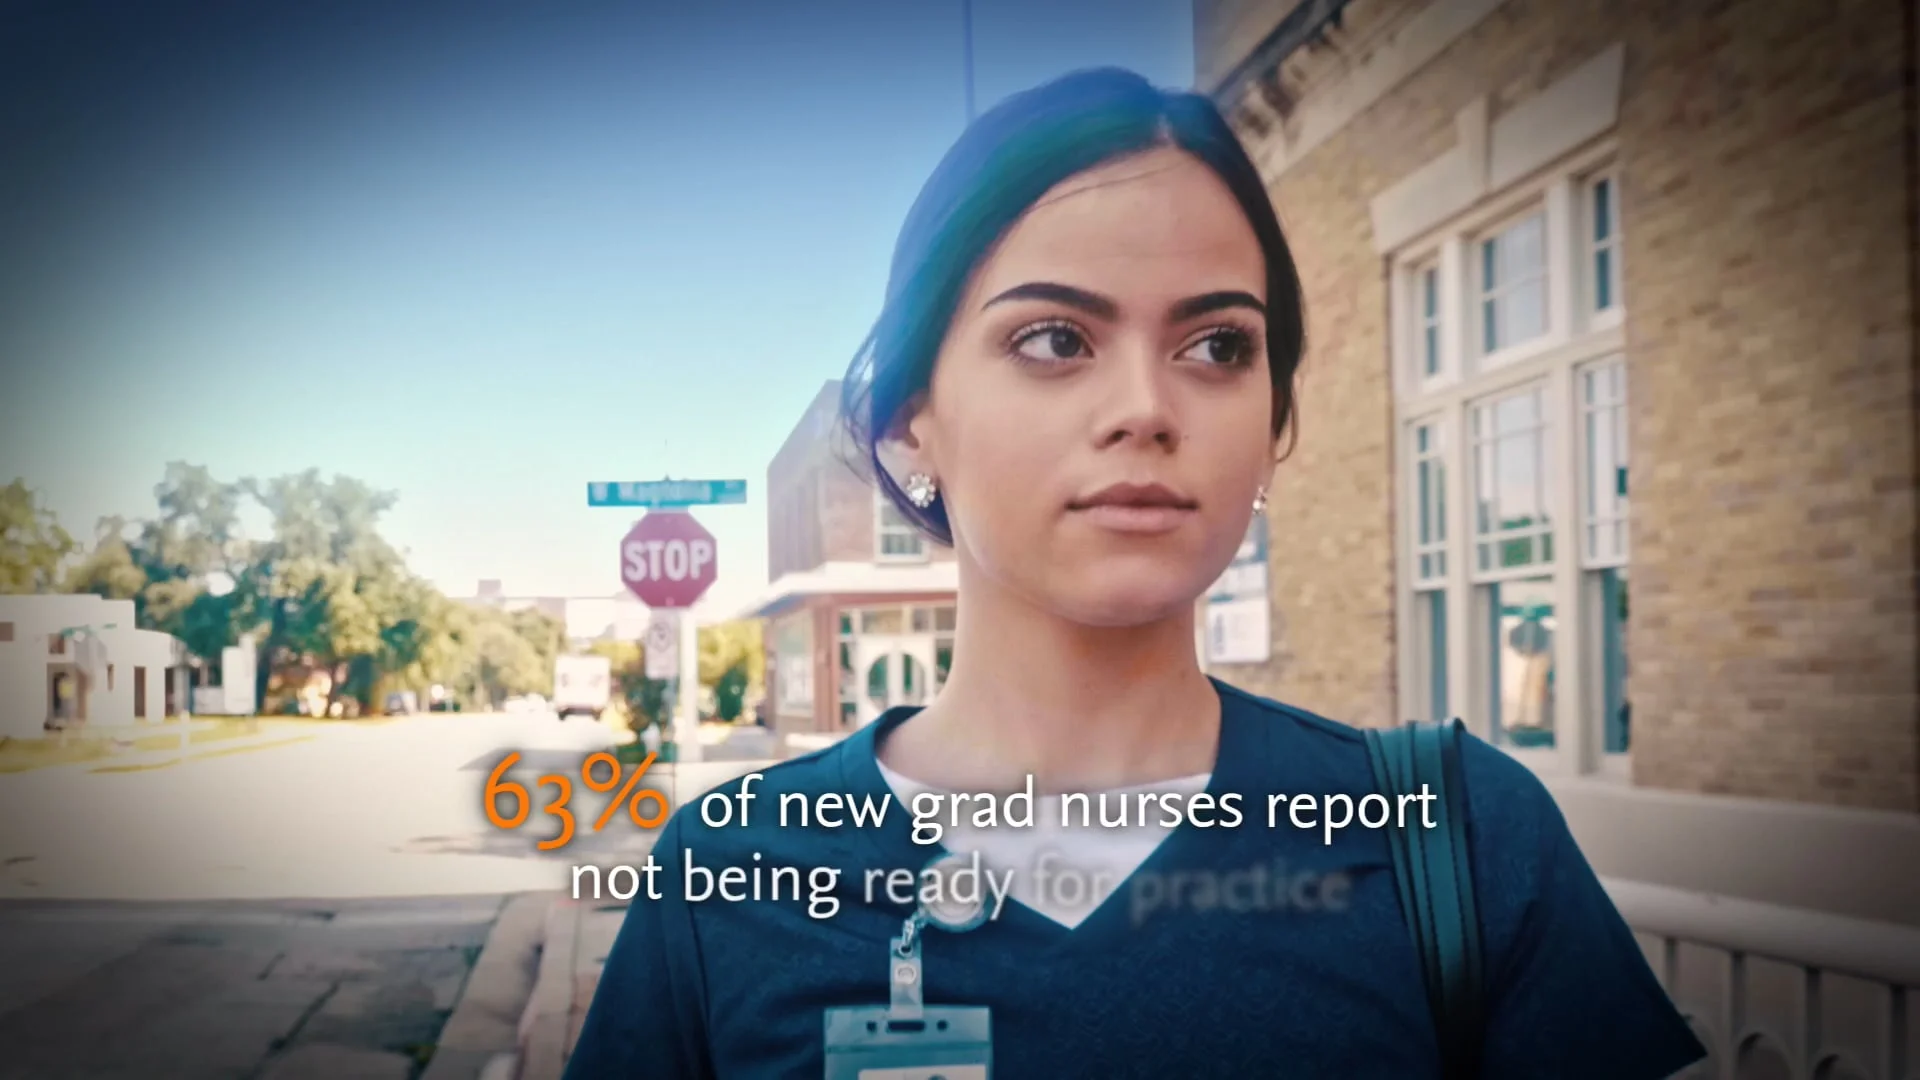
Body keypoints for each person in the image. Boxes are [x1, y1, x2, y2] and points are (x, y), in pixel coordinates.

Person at [566, 68, 1706, 1079]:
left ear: (1273, 423)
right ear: (911, 418)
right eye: (1054, 339)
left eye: (1218, 347)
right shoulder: (733, 872)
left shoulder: (1458, 839)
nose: (1147, 409)